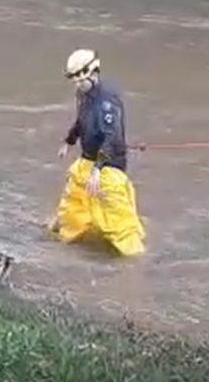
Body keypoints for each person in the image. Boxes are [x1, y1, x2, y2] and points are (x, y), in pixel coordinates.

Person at [48, 49, 146, 256]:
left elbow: (112, 138)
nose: (77, 85)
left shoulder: (107, 102)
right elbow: (81, 120)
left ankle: (134, 263)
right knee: (72, 206)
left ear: (93, 73)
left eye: (81, 81)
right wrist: (69, 140)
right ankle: (63, 236)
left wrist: (98, 170)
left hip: (109, 166)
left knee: (118, 221)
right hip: (87, 160)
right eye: (74, 81)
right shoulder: (83, 94)